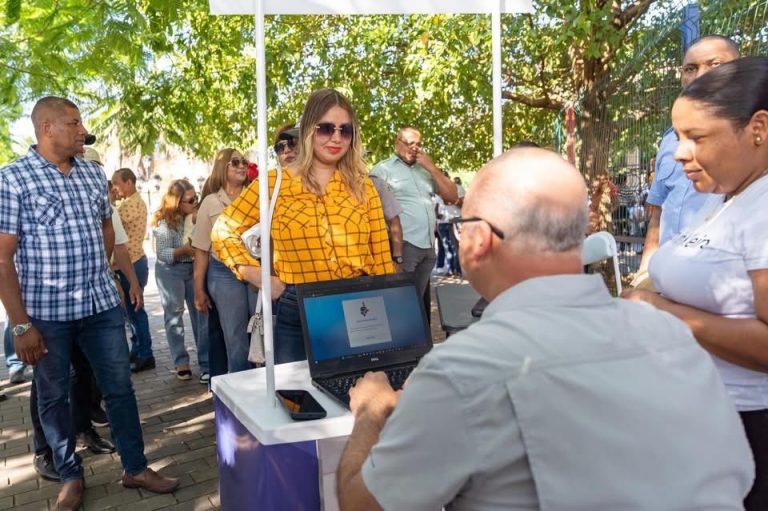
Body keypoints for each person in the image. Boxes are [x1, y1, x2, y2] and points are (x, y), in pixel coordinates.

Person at [337, 147, 754, 510]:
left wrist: (370, 412)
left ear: (479, 239)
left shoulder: (462, 368)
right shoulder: (672, 338)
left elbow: (364, 504)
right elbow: (735, 475)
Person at [0, 96, 179, 509]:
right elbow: (3, 257)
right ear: (47, 129)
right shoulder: (13, 179)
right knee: (53, 396)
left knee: (119, 389)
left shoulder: (93, 175)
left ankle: (135, 467)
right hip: (47, 315)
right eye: (74, 123)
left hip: (100, 308)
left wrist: (103, 273)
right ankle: (69, 476)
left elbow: (105, 227)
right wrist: (20, 324)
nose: (83, 130)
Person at [623, 56, 768, 510]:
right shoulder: (727, 196)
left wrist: (660, 311)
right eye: (678, 137)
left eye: (696, 137)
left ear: (758, 128)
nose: (679, 152)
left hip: (747, 433)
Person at [212, 88, 394, 364]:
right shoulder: (275, 183)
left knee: (359, 393)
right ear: (308, 130)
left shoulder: (362, 184)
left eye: (345, 130)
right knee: (298, 402)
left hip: (360, 305)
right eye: (326, 129)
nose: (336, 137)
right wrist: (254, 273)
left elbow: (380, 255)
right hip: (299, 309)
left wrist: (389, 312)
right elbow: (223, 230)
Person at [637, 35, 740, 273]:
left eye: (715, 65)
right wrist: (644, 276)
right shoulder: (669, 139)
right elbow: (658, 212)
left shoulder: (754, 140)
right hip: (665, 279)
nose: (700, 76)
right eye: (690, 68)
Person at [371, 126, 458, 299]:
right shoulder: (382, 170)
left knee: (416, 302)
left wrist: (432, 168)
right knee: (400, 300)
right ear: (397, 143)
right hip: (404, 246)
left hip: (428, 246)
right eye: (410, 143)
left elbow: (452, 197)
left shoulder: (424, 170)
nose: (415, 148)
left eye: (418, 144)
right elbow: (373, 210)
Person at [193, 149, 254, 374]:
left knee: (263, 331)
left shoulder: (256, 196)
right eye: (235, 162)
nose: (241, 166)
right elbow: (200, 250)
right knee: (235, 339)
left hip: (255, 270)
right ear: (222, 168)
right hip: (223, 272)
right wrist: (198, 289)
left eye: (244, 162)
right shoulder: (210, 203)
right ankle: (242, 393)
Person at [153, 179, 209, 383]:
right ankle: (181, 362)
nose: (195, 202)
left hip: (193, 267)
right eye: (190, 200)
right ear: (177, 203)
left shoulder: (197, 216)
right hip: (171, 270)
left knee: (201, 314)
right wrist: (183, 250)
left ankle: (206, 363)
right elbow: (161, 253)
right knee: (174, 316)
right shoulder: (165, 222)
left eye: (196, 197)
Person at [112, 167, 156, 372]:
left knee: (136, 311)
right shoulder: (128, 203)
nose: (114, 188)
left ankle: (145, 354)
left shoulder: (131, 205)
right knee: (132, 312)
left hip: (132, 263)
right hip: (131, 262)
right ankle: (138, 349)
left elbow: (109, 218)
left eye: (117, 183)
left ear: (129, 183)